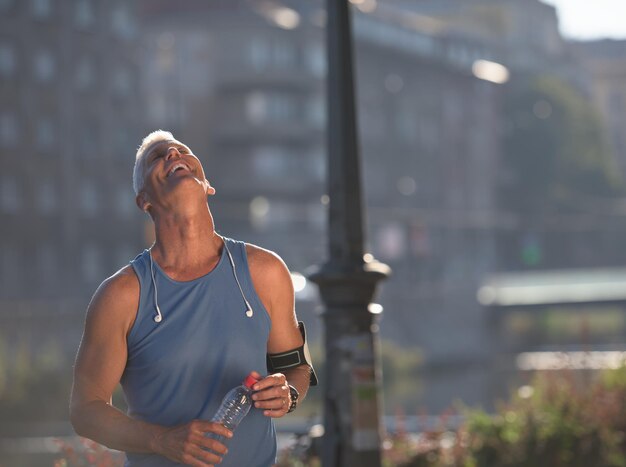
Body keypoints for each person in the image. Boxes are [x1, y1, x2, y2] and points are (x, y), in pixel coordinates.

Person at [70, 130, 315, 467]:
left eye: (182, 150)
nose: (172, 154)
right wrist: (161, 440)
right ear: (144, 200)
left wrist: (286, 395)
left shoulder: (266, 272)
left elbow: (297, 370)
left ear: (207, 184)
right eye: (158, 157)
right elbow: (85, 411)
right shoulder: (121, 296)